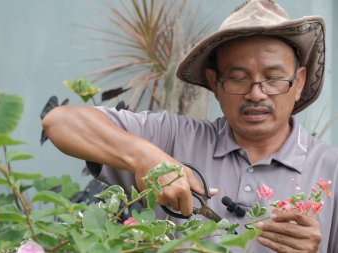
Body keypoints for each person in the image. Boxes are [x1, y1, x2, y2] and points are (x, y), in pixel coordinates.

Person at [43, 0, 337, 252]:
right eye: (238, 77)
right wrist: (149, 158)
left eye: (273, 78)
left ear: (298, 82)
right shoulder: (173, 137)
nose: (256, 93)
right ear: (214, 83)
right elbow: (60, 121)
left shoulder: (332, 170)